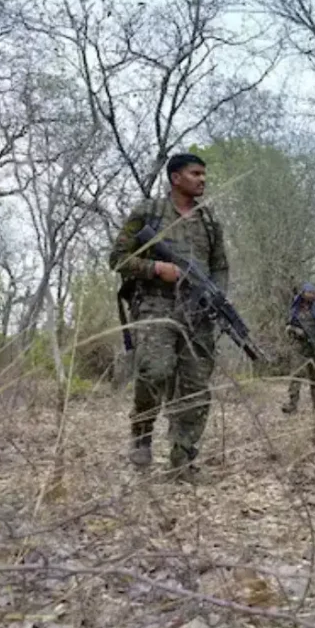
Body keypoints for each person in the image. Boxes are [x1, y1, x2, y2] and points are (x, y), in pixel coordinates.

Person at [109, 153, 228, 485]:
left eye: (204, 174)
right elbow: (117, 259)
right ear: (176, 178)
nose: (202, 179)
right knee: (155, 370)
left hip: (197, 312)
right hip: (156, 305)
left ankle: (182, 460)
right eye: (195, 173)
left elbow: (220, 266)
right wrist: (155, 268)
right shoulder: (149, 212)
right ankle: (142, 431)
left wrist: (216, 296)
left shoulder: (209, 220)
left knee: (195, 388)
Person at [283, 282, 315, 415]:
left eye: (313, 293)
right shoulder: (295, 310)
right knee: (297, 375)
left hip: (313, 347)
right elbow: (287, 327)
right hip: (299, 347)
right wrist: (296, 330)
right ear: (303, 293)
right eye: (309, 293)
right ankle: (292, 404)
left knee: (314, 377)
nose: (311, 295)